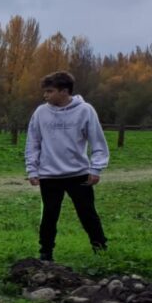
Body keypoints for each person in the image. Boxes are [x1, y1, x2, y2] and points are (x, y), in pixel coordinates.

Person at [25, 70, 110, 260]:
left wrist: (96, 168)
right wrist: (32, 168)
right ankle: (45, 253)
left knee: (88, 213)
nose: (45, 95)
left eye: (49, 91)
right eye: (45, 91)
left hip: (78, 174)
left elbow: (98, 142)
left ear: (64, 91)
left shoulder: (85, 110)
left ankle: (100, 249)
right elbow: (33, 142)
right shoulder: (41, 112)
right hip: (49, 175)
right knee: (49, 215)